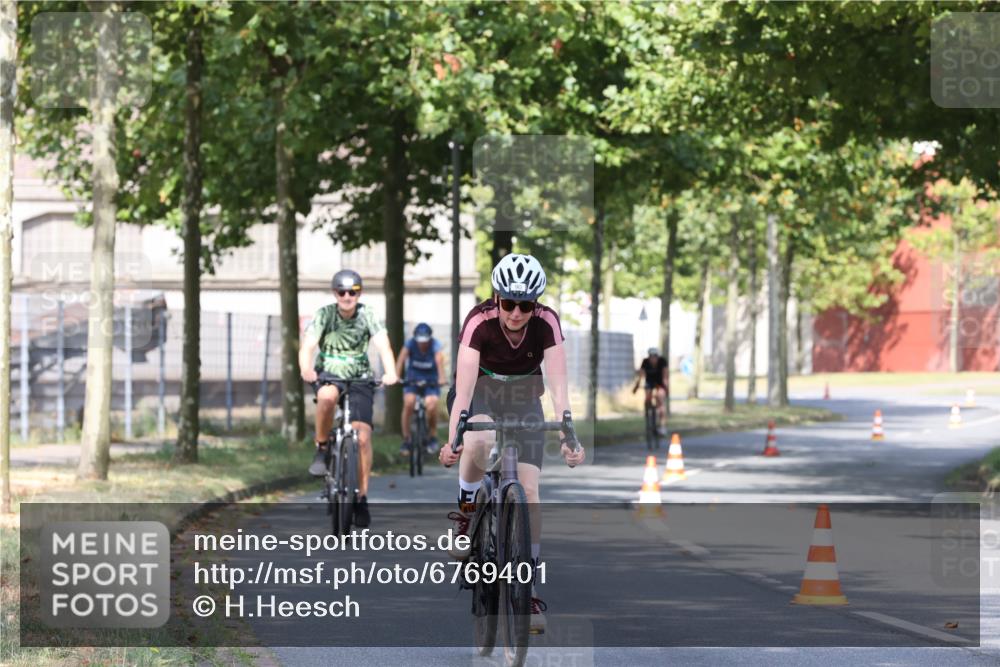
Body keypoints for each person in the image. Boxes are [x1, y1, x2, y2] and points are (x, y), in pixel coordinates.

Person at [440, 253, 586, 633]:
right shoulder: (479, 321)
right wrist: (453, 436)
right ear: (496, 298)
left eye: (526, 305)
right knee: (481, 437)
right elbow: (464, 389)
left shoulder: (547, 322)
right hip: (481, 395)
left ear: (536, 303)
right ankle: (468, 509)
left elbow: (558, 386)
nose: (517, 313)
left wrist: (568, 435)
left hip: (524, 398)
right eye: (509, 303)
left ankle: (530, 588)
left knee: (531, 489)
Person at [299, 269, 398, 528]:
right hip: (329, 373)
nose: (347, 296)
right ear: (335, 293)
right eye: (342, 292)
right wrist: (305, 369)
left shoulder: (368, 314)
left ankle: (361, 498)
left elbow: (384, 345)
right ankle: (321, 448)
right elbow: (308, 346)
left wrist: (391, 372)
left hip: (360, 377)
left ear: (359, 293)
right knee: (327, 397)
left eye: (352, 292)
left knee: (363, 437)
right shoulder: (325, 315)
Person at [397, 322, 447, 457]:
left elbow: (439, 362)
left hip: (431, 379)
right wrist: (396, 376)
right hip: (413, 378)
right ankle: (407, 439)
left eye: (425, 341)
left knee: (432, 404)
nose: (422, 344)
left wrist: (442, 378)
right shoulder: (410, 344)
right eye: (420, 341)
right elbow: (401, 359)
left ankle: (432, 436)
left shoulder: (435, 345)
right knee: (408, 403)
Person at [633, 347, 668, 435]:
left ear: (658, 357)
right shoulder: (645, 362)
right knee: (647, 398)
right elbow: (641, 375)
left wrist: (666, 388)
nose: (653, 359)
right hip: (650, 382)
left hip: (660, 383)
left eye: (655, 356)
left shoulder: (662, 361)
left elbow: (665, 375)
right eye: (651, 357)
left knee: (660, 399)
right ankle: (648, 413)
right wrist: (636, 386)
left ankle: (662, 426)